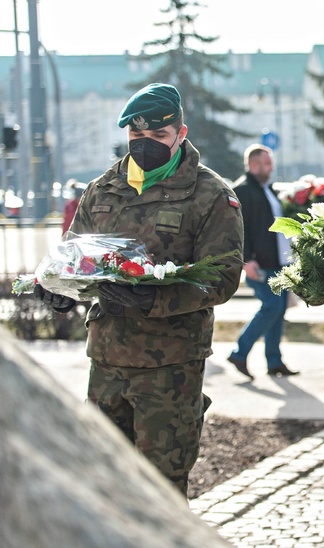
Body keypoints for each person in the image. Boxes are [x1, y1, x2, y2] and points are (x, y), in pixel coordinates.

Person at [33, 83, 244, 496]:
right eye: (136, 137)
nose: (145, 144)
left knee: (162, 488)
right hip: (107, 359)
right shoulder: (103, 189)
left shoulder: (210, 195)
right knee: (103, 485)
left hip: (170, 366)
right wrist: (60, 288)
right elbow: (75, 256)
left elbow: (222, 277)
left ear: (181, 133)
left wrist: (157, 298)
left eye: (158, 137)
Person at [228, 144, 298, 379]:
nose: (271, 167)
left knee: (278, 310)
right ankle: (239, 352)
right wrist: (246, 260)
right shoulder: (243, 190)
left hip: (279, 262)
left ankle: (274, 361)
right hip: (259, 263)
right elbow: (238, 229)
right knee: (271, 306)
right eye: (267, 163)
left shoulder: (267, 189)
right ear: (254, 165)